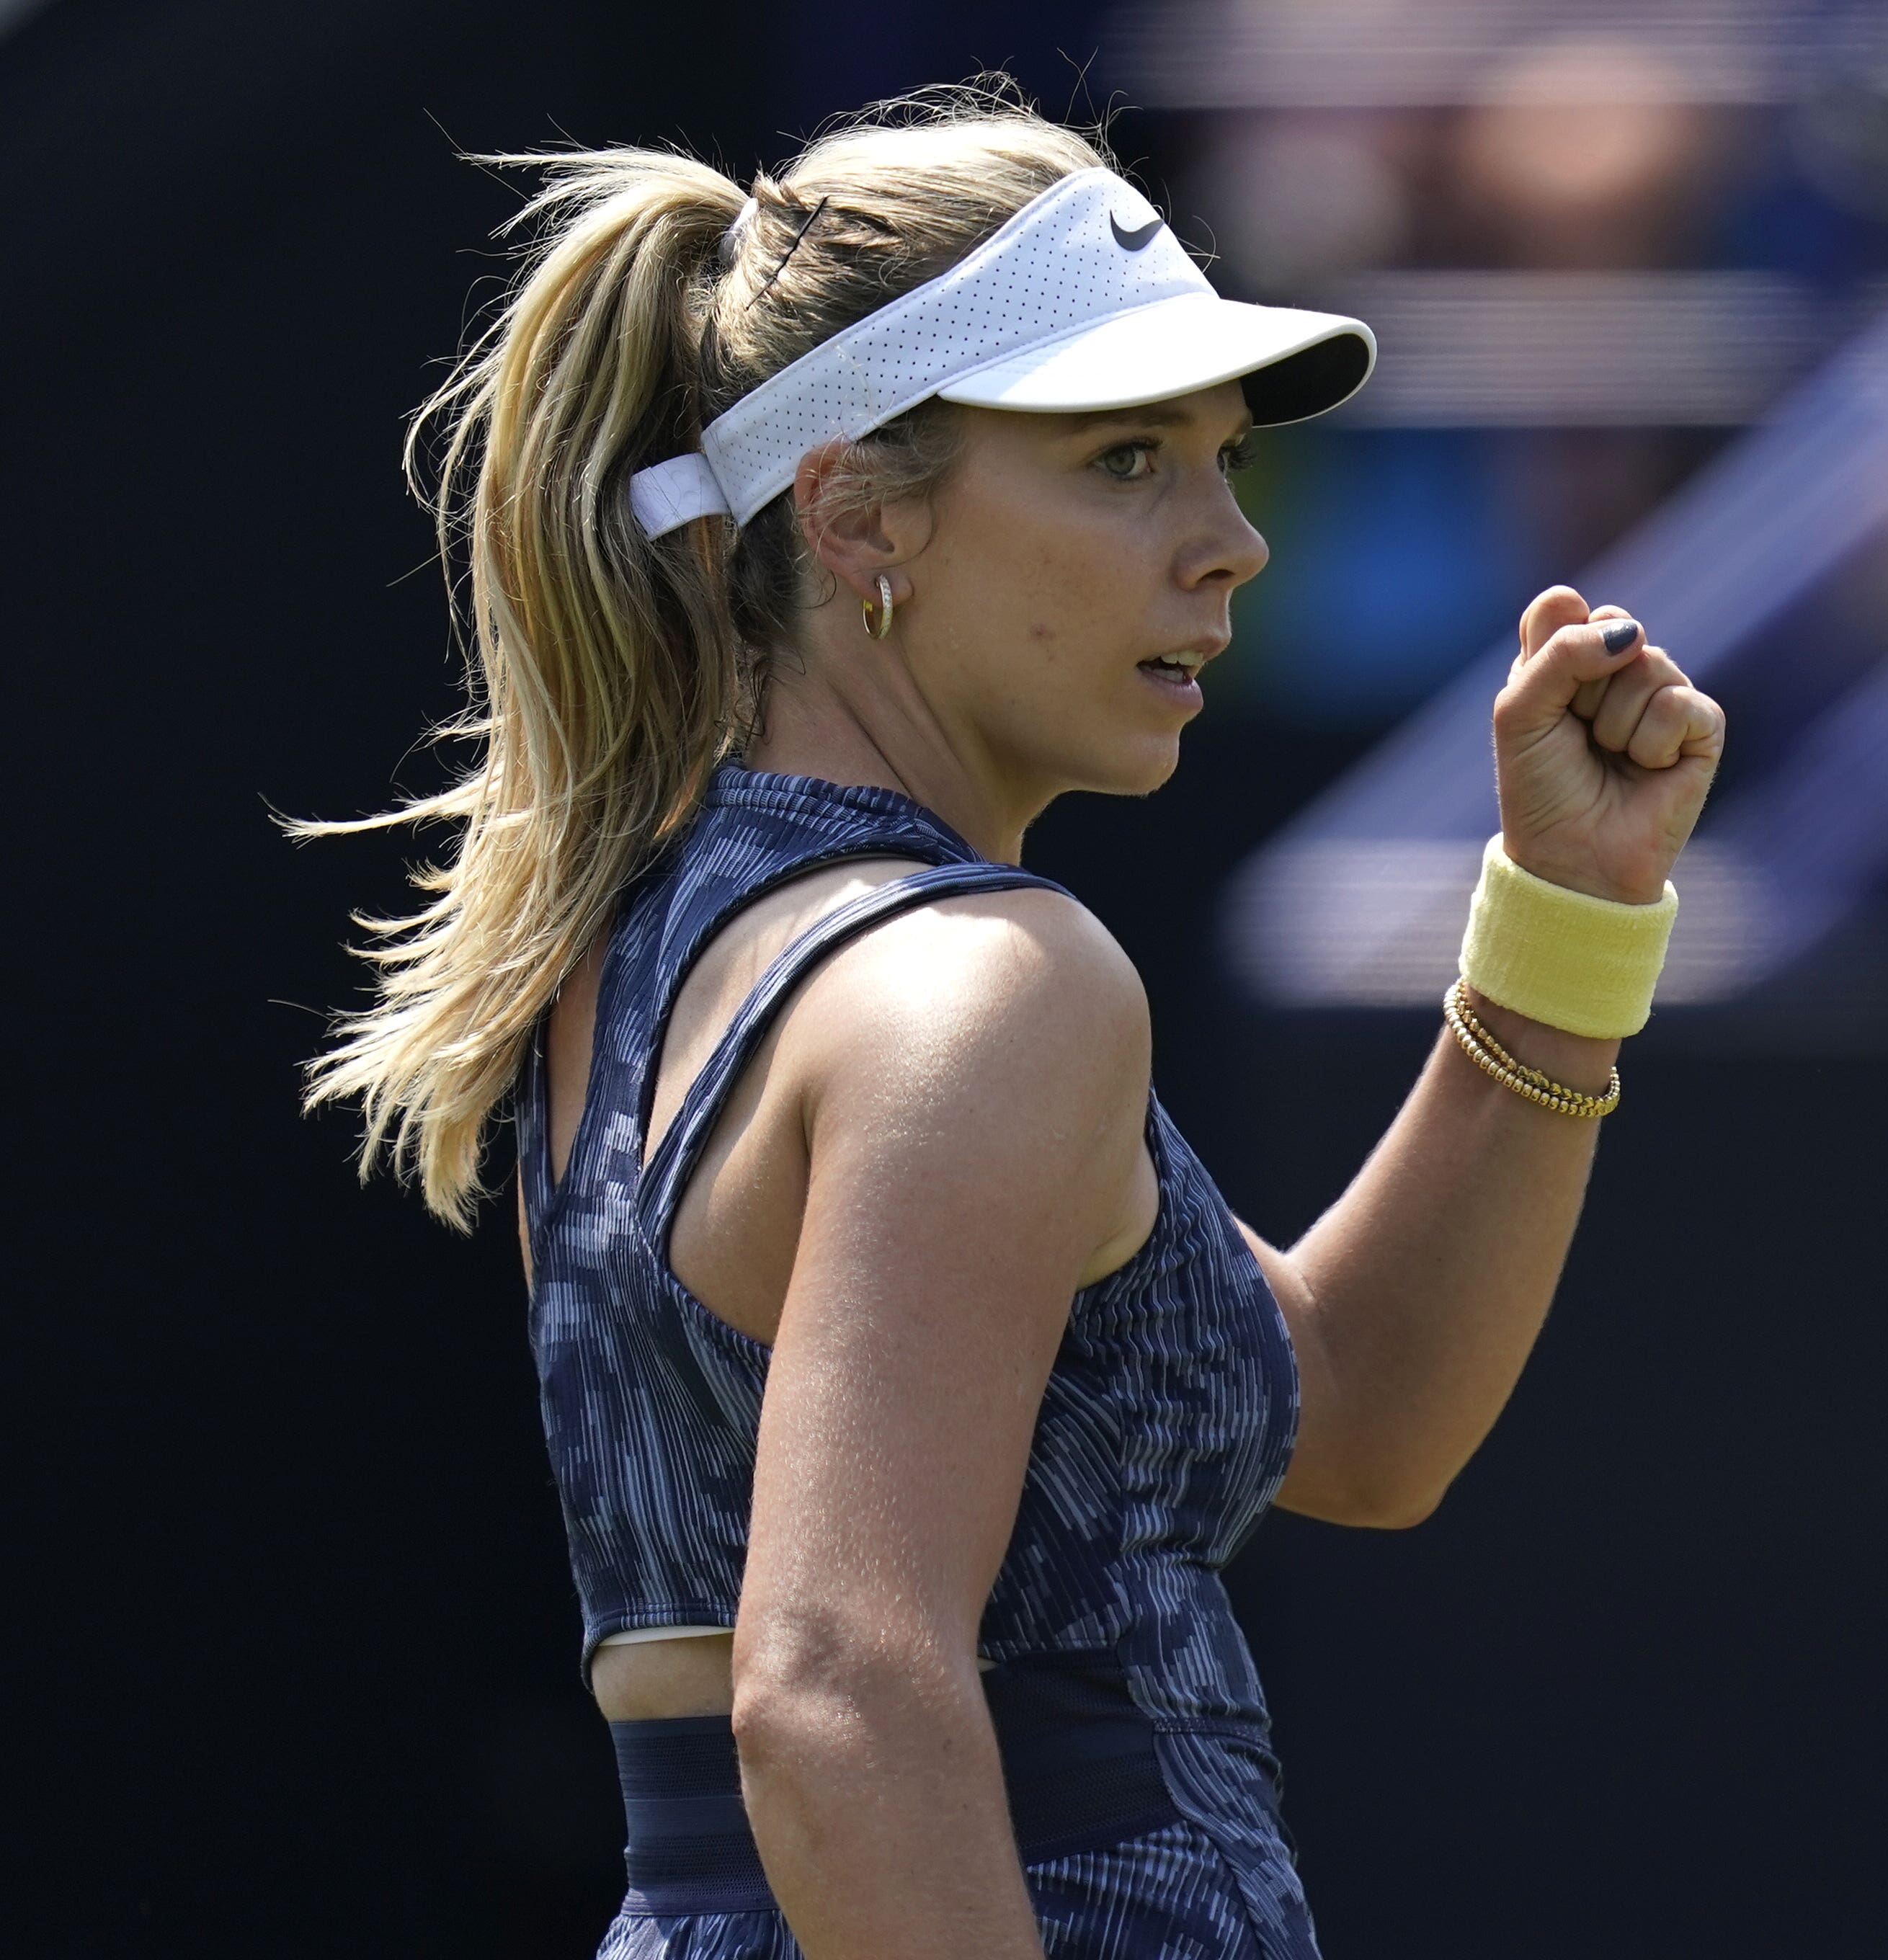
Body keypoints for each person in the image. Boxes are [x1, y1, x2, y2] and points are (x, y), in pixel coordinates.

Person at [304, 86, 1724, 1960]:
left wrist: (1566, 912)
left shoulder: (641, 943)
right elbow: (839, 1703)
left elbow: (1356, 1419)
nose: (1231, 542)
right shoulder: (993, 985)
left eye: (1221, 457)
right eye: (1126, 459)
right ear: (859, 511)